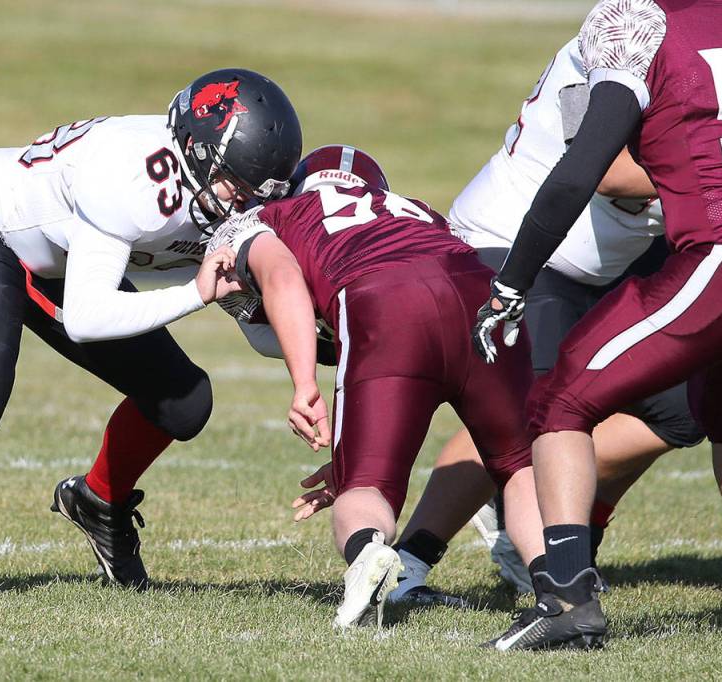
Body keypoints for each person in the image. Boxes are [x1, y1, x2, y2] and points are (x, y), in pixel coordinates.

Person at [0, 68, 302, 599]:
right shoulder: (136, 175)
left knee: (184, 401)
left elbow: (254, 321)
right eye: (238, 186)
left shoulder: (215, 190)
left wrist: (324, 354)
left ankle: (97, 502)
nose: (244, 205)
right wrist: (197, 294)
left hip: (67, 260)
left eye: (259, 193)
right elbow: (88, 319)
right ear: (197, 153)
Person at [388, 33, 712, 601]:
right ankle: (408, 566)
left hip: (612, 259)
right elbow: (606, 168)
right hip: (518, 244)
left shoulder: (705, 40)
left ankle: (567, 525)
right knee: (524, 418)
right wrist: (712, 176)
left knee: (690, 404)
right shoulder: (625, 33)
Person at [473, 0, 722, 650]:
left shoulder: (634, 20)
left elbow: (581, 170)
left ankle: (567, 597)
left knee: (561, 397)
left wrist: (513, 278)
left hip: (718, 257)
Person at [207, 145, 547, 629]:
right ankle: (559, 589)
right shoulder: (415, 211)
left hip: (381, 299)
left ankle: (369, 553)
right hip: (478, 288)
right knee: (518, 464)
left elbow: (281, 279)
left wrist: (306, 387)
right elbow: (436, 300)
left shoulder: (269, 214)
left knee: (365, 486)